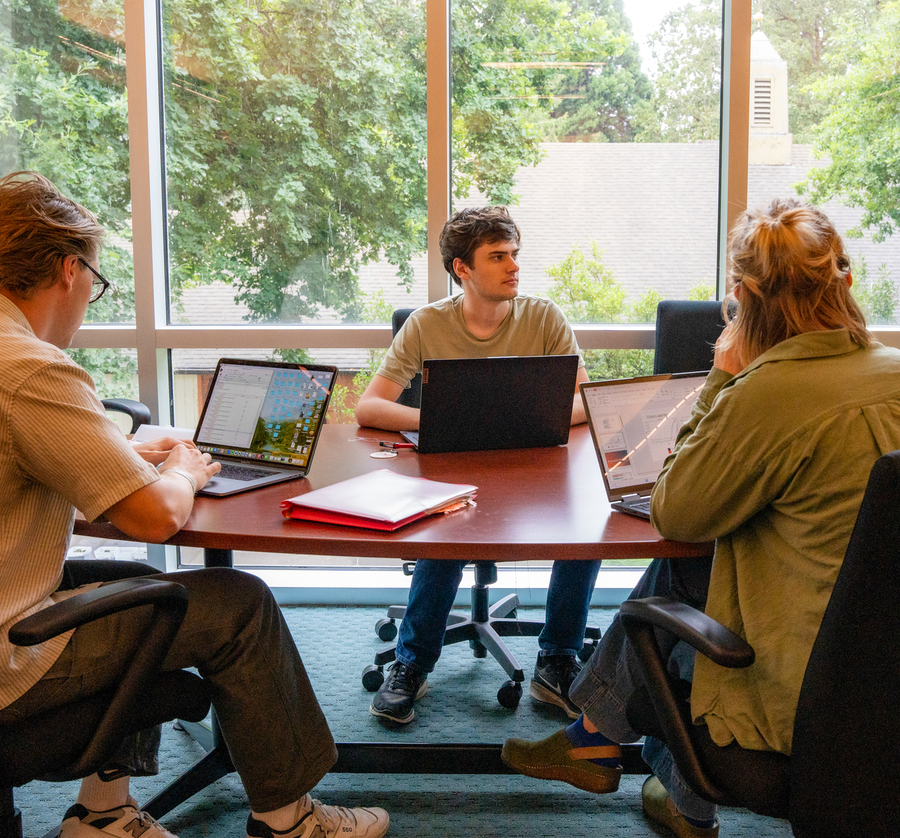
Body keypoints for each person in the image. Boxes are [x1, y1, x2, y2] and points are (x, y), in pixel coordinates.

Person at [0, 172, 389, 838]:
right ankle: (290, 820)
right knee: (238, 602)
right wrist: (179, 468)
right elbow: (154, 519)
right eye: (94, 282)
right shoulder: (28, 366)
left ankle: (103, 815)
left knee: (149, 588)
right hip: (11, 652)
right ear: (68, 269)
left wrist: (121, 458)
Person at [501, 198, 900, 838]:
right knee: (700, 572)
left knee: (681, 578)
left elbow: (676, 508)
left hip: (801, 698)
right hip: (879, 666)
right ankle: (622, 759)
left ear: (742, 299)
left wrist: (721, 377)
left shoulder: (766, 392)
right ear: (846, 282)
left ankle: (600, 740)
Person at [355, 205, 601, 724]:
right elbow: (369, 406)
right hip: (455, 468)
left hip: (534, 468)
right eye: (497, 257)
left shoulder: (544, 317)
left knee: (588, 532)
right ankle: (411, 663)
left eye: (514, 255)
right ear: (462, 268)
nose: (513, 266)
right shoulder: (426, 325)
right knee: (445, 532)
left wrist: (525, 418)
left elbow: (588, 402)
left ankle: (557, 660)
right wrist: (443, 420)